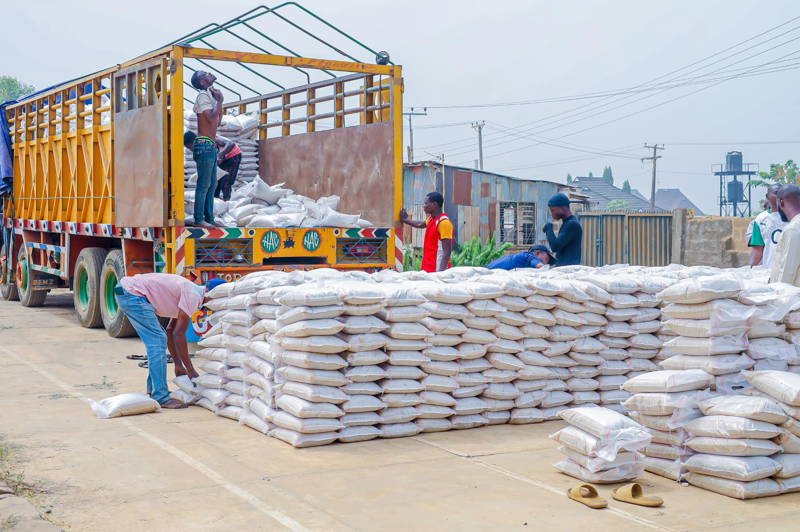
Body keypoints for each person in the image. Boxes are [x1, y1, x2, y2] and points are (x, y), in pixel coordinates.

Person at [114, 274, 226, 408]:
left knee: (159, 339)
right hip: (133, 293)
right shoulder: (193, 296)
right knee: (157, 340)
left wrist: (178, 364)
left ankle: (155, 390)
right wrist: (190, 370)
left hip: (127, 291)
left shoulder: (192, 294)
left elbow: (171, 330)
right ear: (212, 294)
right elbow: (179, 334)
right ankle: (161, 396)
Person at [190, 71, 224, 228]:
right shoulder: (203, 96)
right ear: (203, 81)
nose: (210, 73)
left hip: (209, 145)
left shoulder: (209, 96)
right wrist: (220, 100)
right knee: (204, 184)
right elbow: (210, 117)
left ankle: (209, 218)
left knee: (212, 184)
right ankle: (199, 219)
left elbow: (217, 121)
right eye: (205, 73)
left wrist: (219, 102)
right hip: (204, 145)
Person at [400, 191, 454, 272]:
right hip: (429, 268)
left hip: (437, 270)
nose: (424, 206)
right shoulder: (432, 219)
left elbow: (447, 252)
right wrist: (406, 220)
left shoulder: (444, 223)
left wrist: (440, 274)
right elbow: (421, 224)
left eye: (426, 204)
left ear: (435, 205)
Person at [184, 131, 241, 201]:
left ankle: (228, 203)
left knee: (225, 183)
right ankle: (215, 205)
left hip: (233, 156)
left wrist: (220, 155)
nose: (191, 150)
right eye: (189, 149)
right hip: (222, 161)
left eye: (191, 147)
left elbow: (230, 144)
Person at [769, 184, 800, 286]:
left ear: (781, 202)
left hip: (793, 298)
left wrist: (776, 296)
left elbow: (787, 272)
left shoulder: (793, 229)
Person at [748, 185, 786, 268]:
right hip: (769, 270)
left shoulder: (794, 216)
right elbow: (757, 250)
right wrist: (751, 269)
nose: (779, 196)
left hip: (791, 270)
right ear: (767, 196)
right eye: (776, 193)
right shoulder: (760, 219)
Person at [543, 192, 582, 266]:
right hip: (565, 268)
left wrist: (549, 228)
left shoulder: (572, 224)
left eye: (553, 210)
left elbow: (555, 246)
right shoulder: (567, 223)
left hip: (568, 270)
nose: (552, 214)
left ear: (562, 208)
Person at [487, 244, 554, 270]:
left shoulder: (522, 259)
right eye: (546, 259)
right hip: (490, 272)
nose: (546, 263)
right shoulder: (529, 256)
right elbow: (539, 265)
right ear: (538, 253)